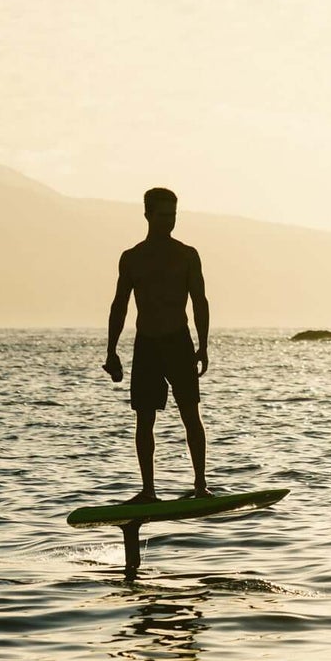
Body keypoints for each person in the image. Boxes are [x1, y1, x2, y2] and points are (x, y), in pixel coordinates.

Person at [104, 187, 211, 501]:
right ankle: (148, 491)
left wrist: (203, 345)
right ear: (147, 215)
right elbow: (119, 305)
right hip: (147, 344)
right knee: (144, 419)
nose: (169, 221)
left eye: (173, 215)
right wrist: (111, 351)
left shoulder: (187, 255)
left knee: (190, 414)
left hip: (179, 342)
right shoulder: (132, 258)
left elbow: (200, 301)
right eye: (163, 215)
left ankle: (200, 485)